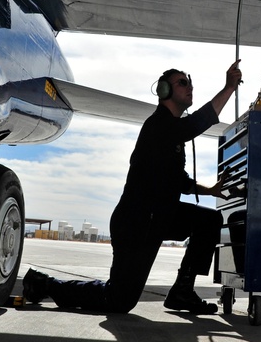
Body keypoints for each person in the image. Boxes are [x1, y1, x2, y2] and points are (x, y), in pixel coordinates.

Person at [22, 60, 242, 315]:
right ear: (164, 90)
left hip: (160, 216)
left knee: (208, 220)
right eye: (182, 83)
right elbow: (195, 125)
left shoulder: (173, 135)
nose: (189, 87)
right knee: (119, 300)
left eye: (190, 83)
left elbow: (180, 181)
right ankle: (44, 284)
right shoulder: (158, 125)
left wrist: (210, 190)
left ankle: (182, 291)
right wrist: (229, 88)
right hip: (136, 222)